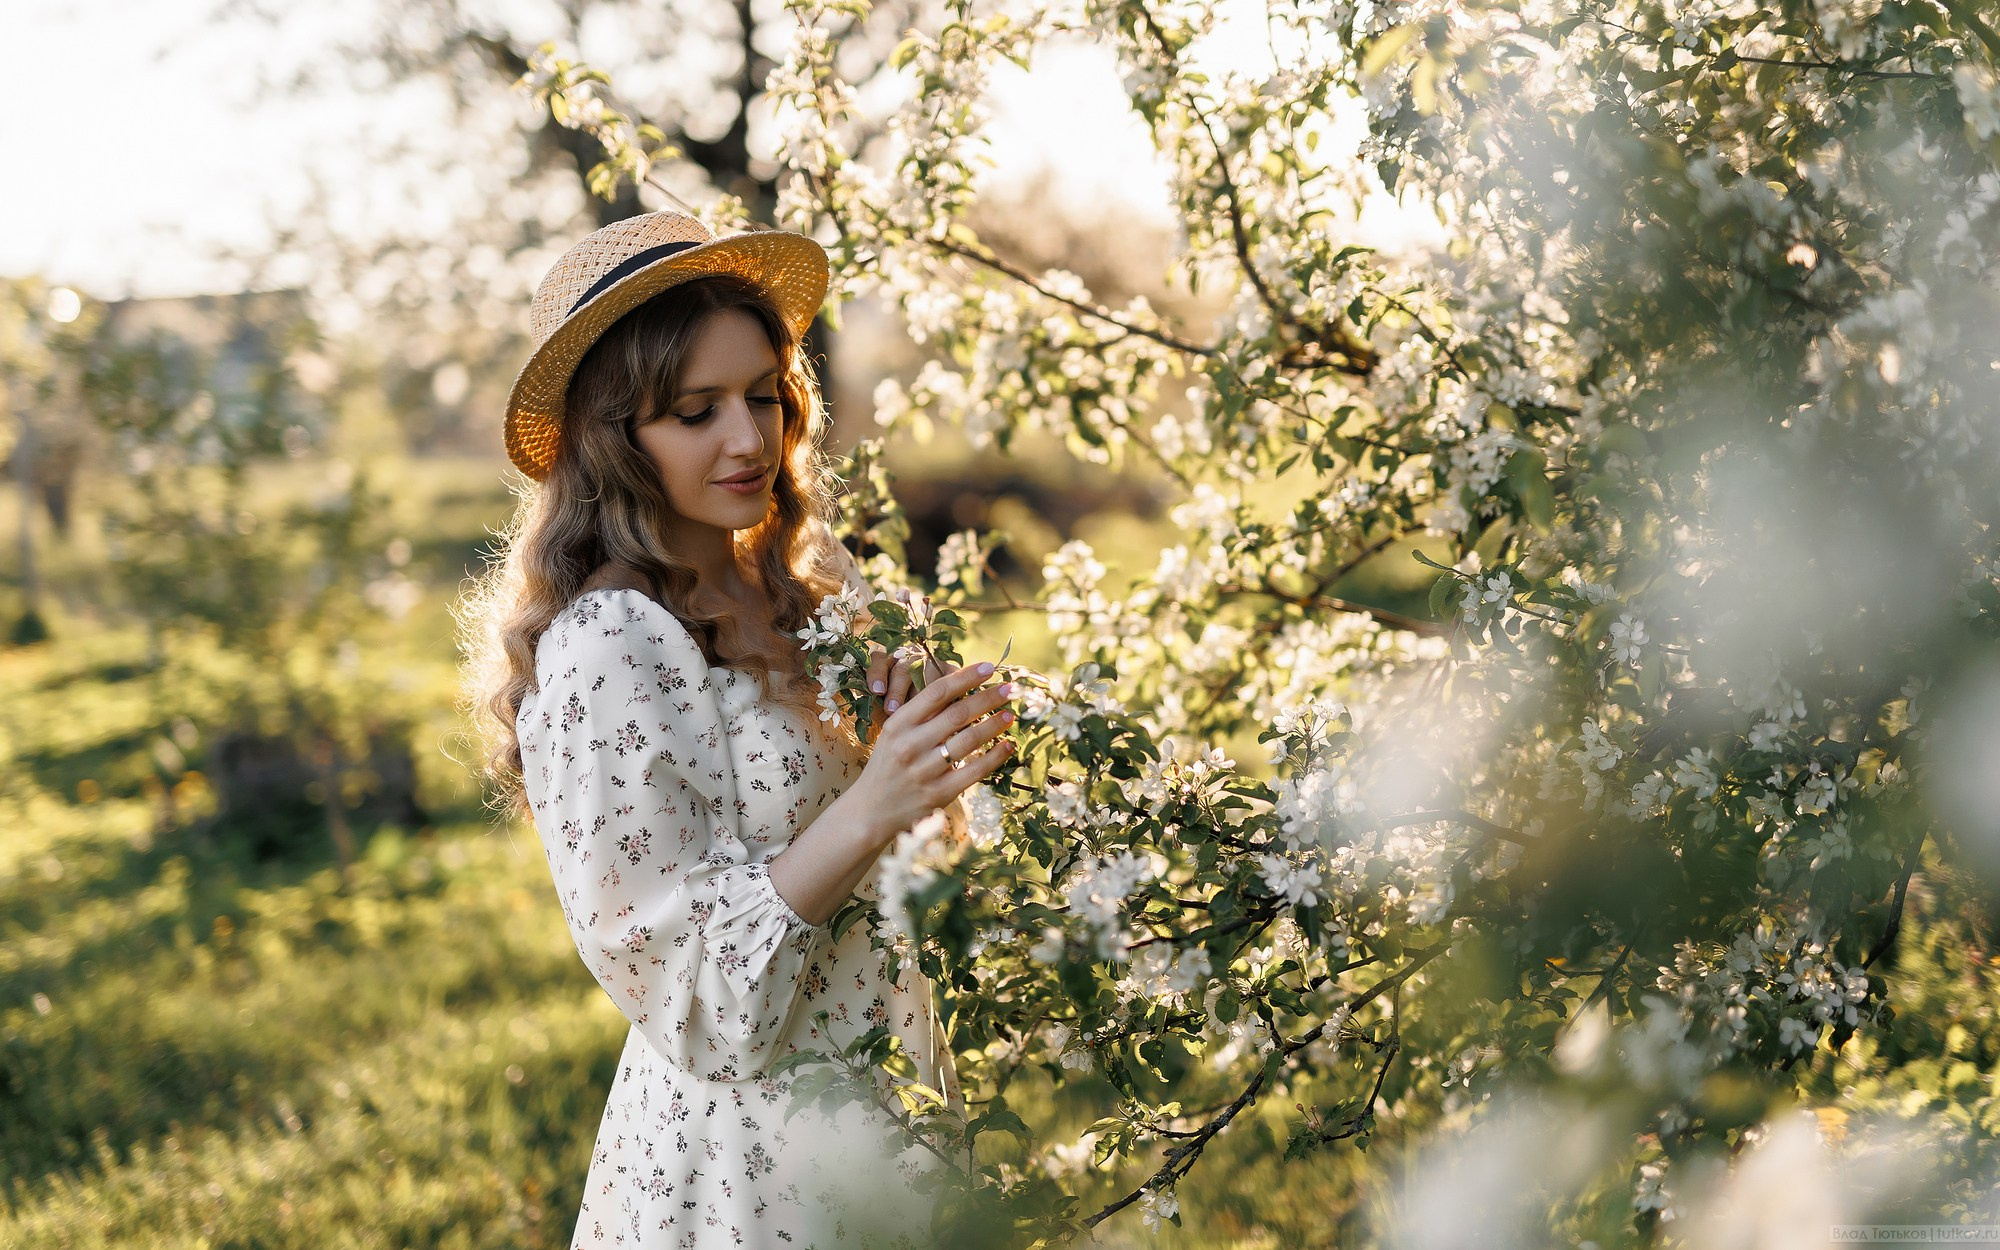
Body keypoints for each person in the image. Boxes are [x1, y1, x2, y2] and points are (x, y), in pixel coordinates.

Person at [462, 210, 1016, 1247]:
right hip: (754, 1170)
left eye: (763, 394)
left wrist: (927, 745)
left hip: (893, 1107)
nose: (749, 439)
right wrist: (874, 800)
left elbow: (902, 882)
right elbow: (701, 1005)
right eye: (695, 410)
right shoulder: (610, 646)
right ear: (612, 437)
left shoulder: (805, 581)